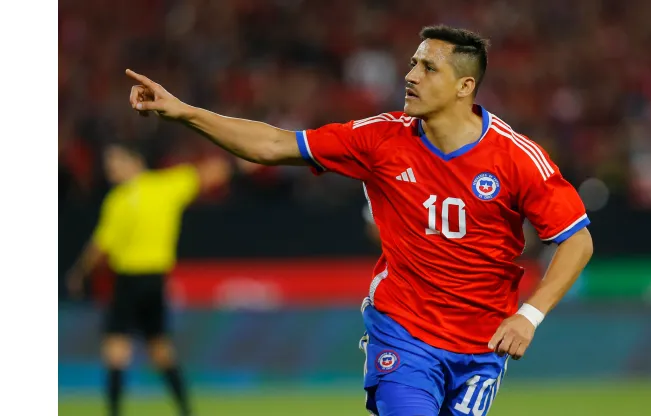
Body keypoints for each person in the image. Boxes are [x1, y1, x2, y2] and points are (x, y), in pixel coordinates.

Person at [125, 24, 593, 416]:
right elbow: (273, 145)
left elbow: (576, 241)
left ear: (464, 86)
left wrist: (530, 316)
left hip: (481, 349)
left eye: (428, 67)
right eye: (412, 63)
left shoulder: (517, 158)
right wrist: (184, 112)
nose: (410, 75)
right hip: (404, 334)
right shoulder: (379, 139)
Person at [66, 141, 230, 416]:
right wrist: (239, 162)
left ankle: (115, 412)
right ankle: (186, 410)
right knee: (161, 350)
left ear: (135, 161)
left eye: (116, 162)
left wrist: (78, 273)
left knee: (116, 350)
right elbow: (213, 171)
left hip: (129, 280)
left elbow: (100, 246)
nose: (111, 169)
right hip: (155, 281)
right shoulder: (167, 186)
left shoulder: (118, 200)